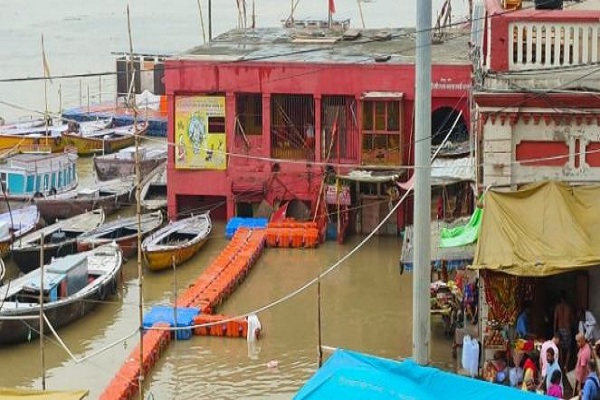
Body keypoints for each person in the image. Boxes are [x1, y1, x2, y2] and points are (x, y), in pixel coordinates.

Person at [554, 291, 574, 369]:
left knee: (560, 348)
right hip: (567, 329)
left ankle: (561, 364)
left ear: (560, 298)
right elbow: (572, 319)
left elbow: (555, 320)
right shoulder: (569, 307)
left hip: (560, 329)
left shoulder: (557, 307)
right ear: (566, 298)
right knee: (568, 349)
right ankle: (566, 365)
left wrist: (554, 332)